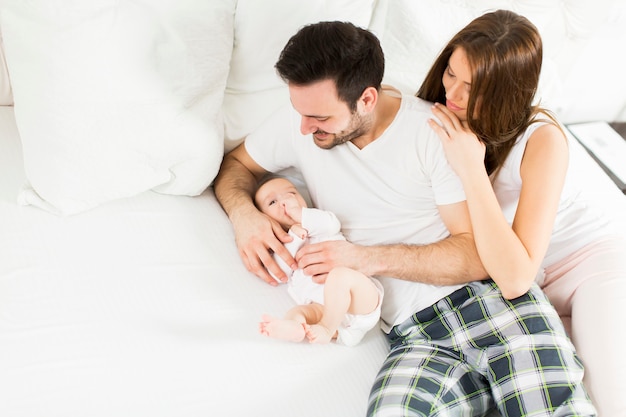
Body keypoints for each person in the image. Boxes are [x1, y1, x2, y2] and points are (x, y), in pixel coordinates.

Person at [214, 21, 596, 416]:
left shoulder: (437, 131)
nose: (305, 127)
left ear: (365, 99)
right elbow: (236, 165)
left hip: (492, 304)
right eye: (451, 74)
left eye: (321, 118)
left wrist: (363, 257)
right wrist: (245, 216)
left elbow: (479, 256)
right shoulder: (301, 122)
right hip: (414, 336)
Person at [418, 9, 626, 416]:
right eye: (451, 73)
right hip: (527, 278)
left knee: (610, 401)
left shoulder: (543, 139)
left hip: (590, 263)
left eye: (472, 87)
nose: (453, 95)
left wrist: (470, 168)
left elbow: (515, 278)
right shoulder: (435, 113)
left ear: (505, 92)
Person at [254, 175, 384, 346]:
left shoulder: (320, 224)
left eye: (291, 193)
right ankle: (296, 328)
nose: (285, 202)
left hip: (358, 299)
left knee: (339, 276)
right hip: (322, 308)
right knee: (298, 311)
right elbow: (277, 273)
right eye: (272, 202)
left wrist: (300, 216)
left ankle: (325, 328)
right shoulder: (281, 245)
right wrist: (293, 237)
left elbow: (331, 224)